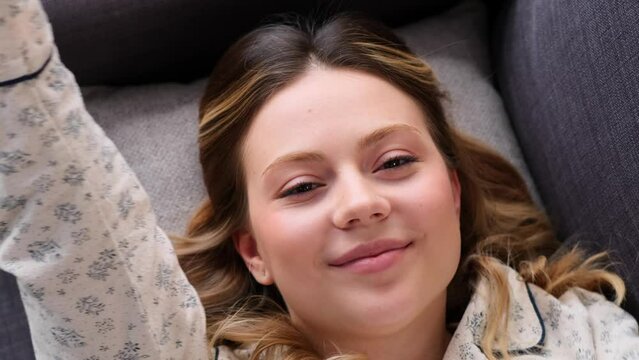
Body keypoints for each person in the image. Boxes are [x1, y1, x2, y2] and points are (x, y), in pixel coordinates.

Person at [1, 1, 638, 360]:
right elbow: (76, 240)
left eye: (393, 163)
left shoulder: (582, 336)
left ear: (453, 191)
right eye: (303, 187)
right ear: (253, 252)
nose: (361, 204)